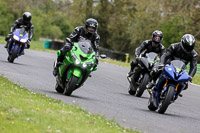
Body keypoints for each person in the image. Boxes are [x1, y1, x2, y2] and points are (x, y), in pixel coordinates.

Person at [151, 34, 198, 107]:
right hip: (169, 65)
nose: (188, 49)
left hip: (180, 69)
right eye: (186, 47)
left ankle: (175, 94)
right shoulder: (174, 46)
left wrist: (191, 76)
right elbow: (165, 55)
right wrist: (162, 63)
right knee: (159, 70)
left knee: (185, 83)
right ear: (182, 43)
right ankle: (154, 88)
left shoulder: (194, 54)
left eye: (190, 47)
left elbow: (194, 66)